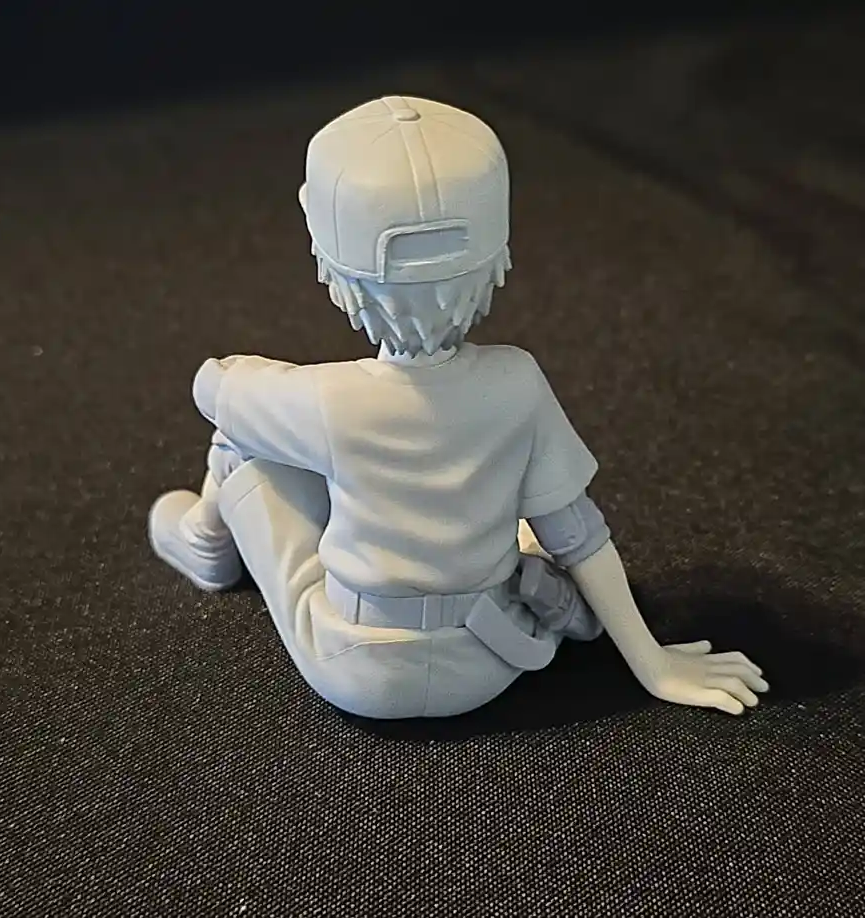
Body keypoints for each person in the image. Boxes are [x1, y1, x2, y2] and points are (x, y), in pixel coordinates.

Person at [149, 96, 768, 719]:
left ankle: (203, 542)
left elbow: (212, 389)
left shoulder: (323, 397)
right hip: (491, 660)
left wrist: (255, 377)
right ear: (497, 256)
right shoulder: (518, 380)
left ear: (333, 264)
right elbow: (580, 535)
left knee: (242, 445)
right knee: (516, 515)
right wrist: (655, 665)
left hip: (356, 669)